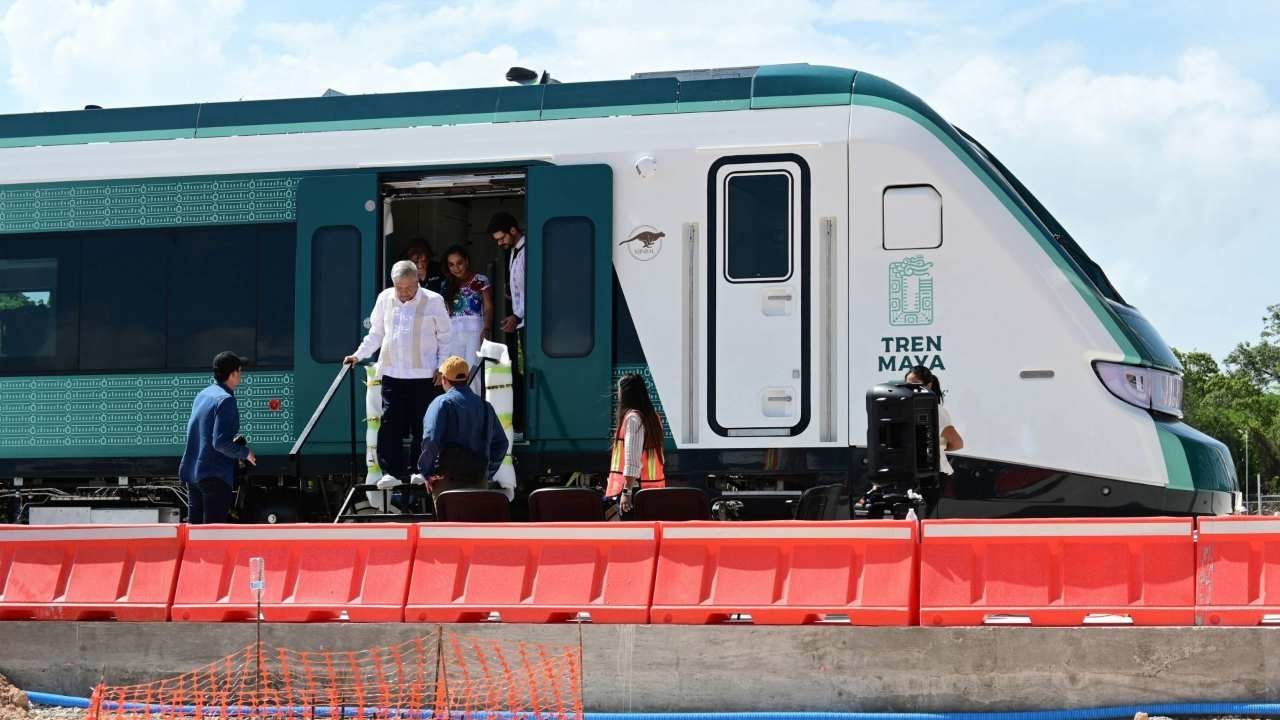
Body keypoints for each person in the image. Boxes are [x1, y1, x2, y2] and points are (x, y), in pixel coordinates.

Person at [345, 260, 452, 487]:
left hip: (424, 374)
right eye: (399, 288)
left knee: (422, 425)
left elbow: (446, 337)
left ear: (418, 281)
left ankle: (420, 470)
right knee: (390, 422)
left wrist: (442, 367)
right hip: (393, 372)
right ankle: (390, 472)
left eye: (408, 288)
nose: (403, 293)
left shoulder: (434, 301)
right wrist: (358, 355)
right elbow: (376, 333)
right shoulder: (385, 298)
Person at [178, 351, 256, 524]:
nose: (241, 375)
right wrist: (245, 452)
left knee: (196, 535)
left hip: (193, 474)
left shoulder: (203, 395)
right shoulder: (226, 400)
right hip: (214, 476)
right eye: (240, 371)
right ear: (234, 373)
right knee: (212, 536)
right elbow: (220, 443)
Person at [418, 355, 509, 501]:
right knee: (474, 523)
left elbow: (431, 439)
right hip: (478, 481)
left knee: (449, 522)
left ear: (444, 380)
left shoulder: (441, 403)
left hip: (447, 482)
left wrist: (426, 472)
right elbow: (502, 443)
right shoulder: (486, 407)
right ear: (466, 379)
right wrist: (487, 472)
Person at [606, 373, 666, 515]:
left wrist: (626, 492)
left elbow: (632, 460)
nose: (618, 396)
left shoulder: (633, 419)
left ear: (626, 394)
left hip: (635, 491)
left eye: (619, 392)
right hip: (652, 488)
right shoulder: (653, 418)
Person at [487, 212, 526, 434]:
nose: (500, 243)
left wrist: (518, 316)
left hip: (525, 323)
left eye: (501, 238)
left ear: (513, 230)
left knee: (521, 371)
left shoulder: (527, 251)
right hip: (519, 321)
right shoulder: (513, 252)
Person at [441, 244, 493, 391]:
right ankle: (457, 406)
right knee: (453, 370)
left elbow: (489, 306)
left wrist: (487, 328)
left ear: (467, 261)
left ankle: (473, 408)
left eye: (459, 263)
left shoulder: (480, 280)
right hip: (453, 333)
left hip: (475, 332)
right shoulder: (447, 284)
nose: (456, 268)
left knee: (473, 371)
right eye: (451, 265)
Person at [905, 365, 964, 475]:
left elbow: (957, 443)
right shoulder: (902, 409)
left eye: (916, 384)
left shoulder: (936, 411)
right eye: (908, 385)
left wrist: (936, 448)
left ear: (929, 385)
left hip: (936, 474)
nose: (911, 389)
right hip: (910, 473)